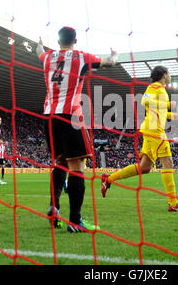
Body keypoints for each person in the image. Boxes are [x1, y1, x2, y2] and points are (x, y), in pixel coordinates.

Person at [36, 26, 118, 232]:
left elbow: (38, 52)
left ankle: (54, 206)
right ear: (75, 40)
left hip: (49, 116)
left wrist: (38, 44)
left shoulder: (47, 58)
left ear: (58, 41)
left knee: (59, 163)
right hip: (71, 116)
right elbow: (109, 63)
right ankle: (75, 220)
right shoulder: (81, 57)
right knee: (77, 167)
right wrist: (115, 55)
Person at [101, 65, 178, 212]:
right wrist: (168, 104)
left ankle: (109, 179)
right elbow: (145, 101)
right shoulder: (155, 87)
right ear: (164, 75)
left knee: (144, 168)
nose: (170, 77)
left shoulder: (160, 89)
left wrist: (170, 114)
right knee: (167, 162)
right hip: (154, 131)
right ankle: (173, 203)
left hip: (152, 130)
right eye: (169, 74)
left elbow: (155, 110)